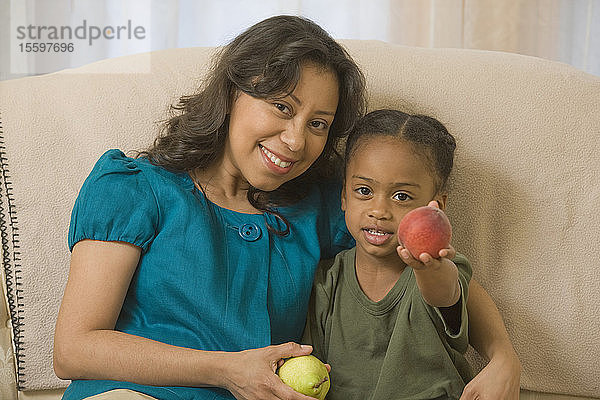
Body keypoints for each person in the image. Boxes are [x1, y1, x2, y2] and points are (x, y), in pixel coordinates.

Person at [53, 15, 520, 400]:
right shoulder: (135, 187)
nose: (297, 141)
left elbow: (427, 261)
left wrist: (502, 356)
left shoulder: (322, 205)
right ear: (232, 94)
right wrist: (226, 370)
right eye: (281, 107)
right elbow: (73, 348)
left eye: (318, 123)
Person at [305, 109, 473, 399]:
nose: (379, 211)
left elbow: (444, 293)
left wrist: (429, 267)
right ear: (344, 196)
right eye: (363, 190)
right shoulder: (325, 281)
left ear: (436, 206)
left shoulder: (439, 270)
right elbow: (312, 369)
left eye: (401, 196)